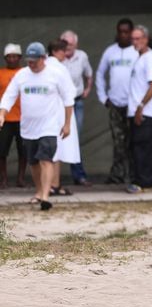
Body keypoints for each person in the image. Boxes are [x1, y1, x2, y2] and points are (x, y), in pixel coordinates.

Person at [0, 42, 74, 210]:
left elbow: (68, 100)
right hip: (28, 128)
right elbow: (9, 96)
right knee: (33, 162)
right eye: (29, 60)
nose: (31, 63)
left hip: (49, 126)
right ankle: (39, 192)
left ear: (43, 58)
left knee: (46, 159)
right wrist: (2, 113)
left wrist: (67, 124)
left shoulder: (55, 74)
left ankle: (46, 197)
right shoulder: (22, 75)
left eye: (34, 60)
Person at [96, 18, 138, 184]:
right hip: (114, 104)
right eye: (120, 31)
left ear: (132, 32)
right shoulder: (110, 51)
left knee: (132, 141)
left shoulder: (136, 51)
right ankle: (118, 174)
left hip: (132, 105)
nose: (123, 35)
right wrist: (103, 97)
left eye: (126, 32)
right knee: (118, 141)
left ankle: (132, 174)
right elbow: (100, 74)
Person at [126, 26, 152, 193]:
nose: (136, 42)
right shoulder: (140, 58)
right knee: (136, 147)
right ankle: (141, 180)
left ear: (146, 39)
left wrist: (141, 106)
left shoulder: (148, 58)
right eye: (133, 39)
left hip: (144, 111)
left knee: (142, 147)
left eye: (138, 38)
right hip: (137, 110)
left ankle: (145, 182)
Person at [59, 30, 94, 187]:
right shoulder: (55, 58)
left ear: (76, 45)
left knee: (75, 137)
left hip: (76, 102)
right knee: (54, 138)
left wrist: (88, 89)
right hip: (59, 103)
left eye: (70, 44)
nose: (67, 47)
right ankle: (53, 179)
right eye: (64, 44)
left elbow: (89, 74)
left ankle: (79, 175)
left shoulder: (82, 56)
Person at [47, 39, 81, 197]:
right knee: (55, 149)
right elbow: (70, 91)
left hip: (48, 111)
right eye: (63, 51)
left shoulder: (45, 67)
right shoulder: (59, 68)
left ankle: (54, 184)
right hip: (59, 111)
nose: (66, 54)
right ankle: (52, 184)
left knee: (53, 148)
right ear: (55, 51)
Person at [0, 43, 29, 189]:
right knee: (2, 151)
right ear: (5, 58)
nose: (12, 59)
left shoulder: (26, 73)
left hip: (23, 118)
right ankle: (3, 179)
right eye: (9, 57)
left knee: (23, 151)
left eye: (15, 56)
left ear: (20, 58)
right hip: (5, 119)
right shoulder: (0, 73)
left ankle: (21, 178)